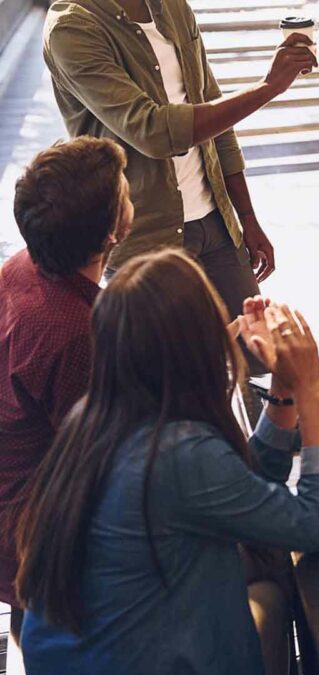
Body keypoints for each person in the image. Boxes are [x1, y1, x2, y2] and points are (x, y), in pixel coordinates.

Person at [15, 250, 319, 674]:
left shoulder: (94, 420)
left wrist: (282, 387)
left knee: (264, 573)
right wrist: (310, 390)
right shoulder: (176, 452)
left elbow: (245, 489)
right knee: (276, 586)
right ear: (198, 343)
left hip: (71, 657)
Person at [43, 0, 318, 317]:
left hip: (216, 223)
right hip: (144, 236)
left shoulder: (173, 6)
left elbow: (214, 110)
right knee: (171, 362)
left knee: (252, 351)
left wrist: (247, 217)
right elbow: (153, 131)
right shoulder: (72, 26)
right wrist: (268, 87)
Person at [0, 137, 133, 644]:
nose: (130, 192)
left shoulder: (22, 267)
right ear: (110, 231)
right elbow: (98, 460)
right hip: (33, 529)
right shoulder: (79, 332)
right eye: (124, 191)